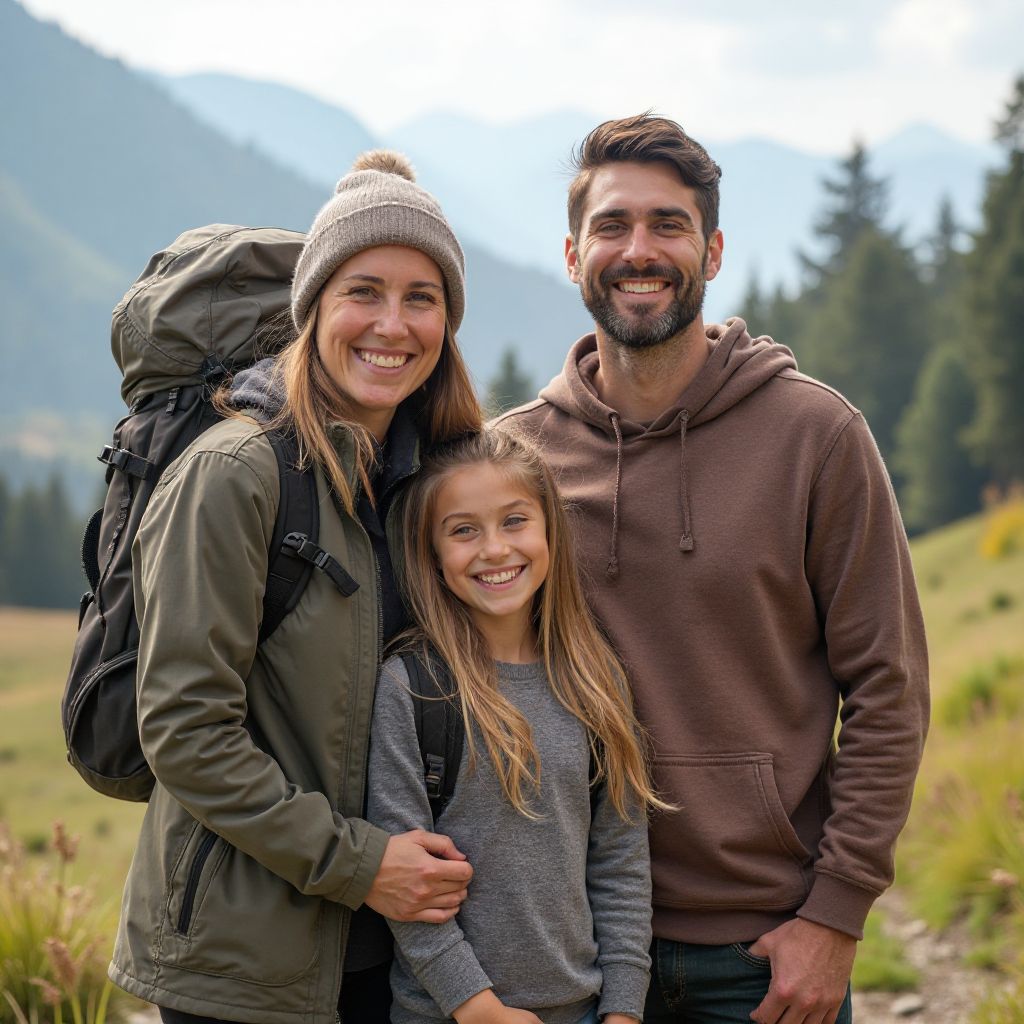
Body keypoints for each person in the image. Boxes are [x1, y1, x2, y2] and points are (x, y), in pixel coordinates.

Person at [495, 114, 930, 1024]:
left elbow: (889, 690)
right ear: (573, 255)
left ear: (713, 250)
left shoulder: (816, 438)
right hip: (569, 946)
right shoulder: (514, 462)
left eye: (668, 225)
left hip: (764, 952)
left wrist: (836, 921)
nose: (638, 250)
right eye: (611, 227)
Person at [108, 150, 482, 1024]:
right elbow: (187, 730)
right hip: (247, 967)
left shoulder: (432, 481)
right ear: (311, 308)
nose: (392, 324)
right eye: (364, 291)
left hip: (400, 957)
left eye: (421, 298)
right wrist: (363, 866)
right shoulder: (235, 473)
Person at [366, 428, 665, 1024]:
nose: (495, 550)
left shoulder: (594, 680)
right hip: (449, 1015)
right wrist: (478, 1008)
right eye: (463, 530)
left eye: (514, 521)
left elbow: (620, 859)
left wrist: (624, 1008)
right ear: (432, 555)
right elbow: (406, 887)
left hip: (584, 1011)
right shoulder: (413, 687)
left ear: (549, 530)